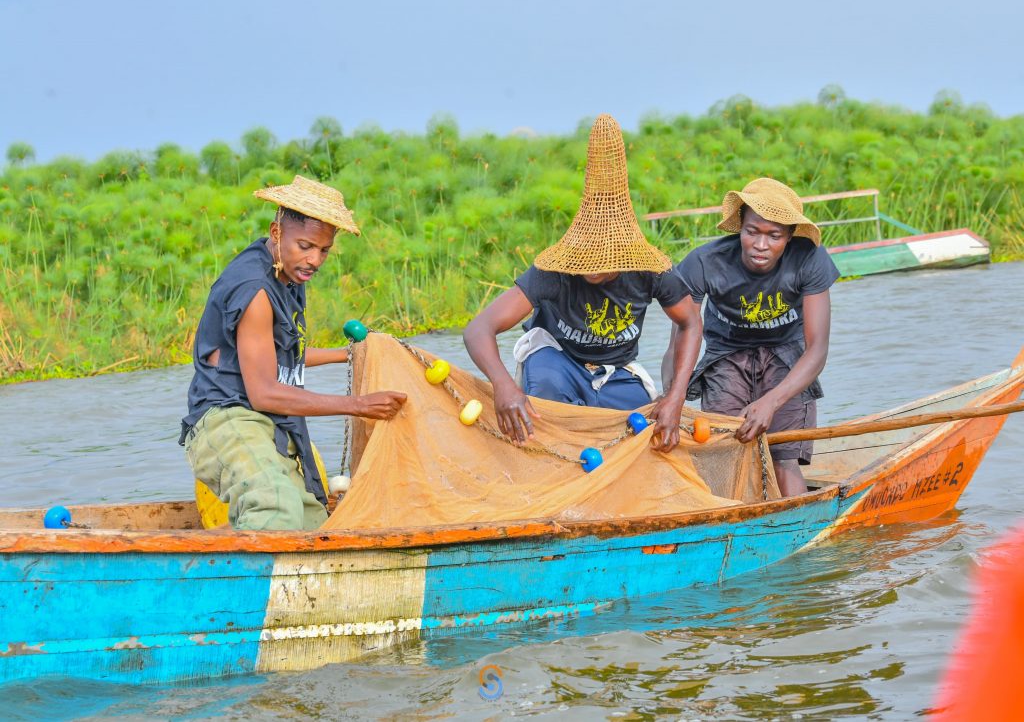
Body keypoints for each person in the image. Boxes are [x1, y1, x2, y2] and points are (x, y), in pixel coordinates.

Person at [180, 175, 407, 531]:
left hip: (267, 424)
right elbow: (264, 391)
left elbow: (281, 355)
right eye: (305, 246)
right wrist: (358, 405)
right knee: (274, 505)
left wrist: (346, 355)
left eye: (324, 250)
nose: (314, 260)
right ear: (276, 233)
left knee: (313, 522)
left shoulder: (288, 275)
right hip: (227, 419)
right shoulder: (254, 289)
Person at [463, 114, 702, 452]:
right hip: (559, 361)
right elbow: (478, 329)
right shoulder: (554, 272)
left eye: (603, 266)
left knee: (643, 434)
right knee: (548, 400)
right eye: (586, 261)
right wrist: (503, 386)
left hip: (615, 371)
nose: (591, 272)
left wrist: (676, 396)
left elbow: (691, 322)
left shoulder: (650, 271)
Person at [662, 177, 839, 496]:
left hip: (787, 358)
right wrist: (671, 399)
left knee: (783, 458)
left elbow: (817, 349)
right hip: (726, 359)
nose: (761, 245)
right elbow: (681, 337)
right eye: (752, 232)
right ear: (740, 227)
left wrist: (772, 401)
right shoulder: (705, 263)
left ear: (788, 237)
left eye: (774, 236)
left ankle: (796, 529)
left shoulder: (809, 259)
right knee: (724, 453)